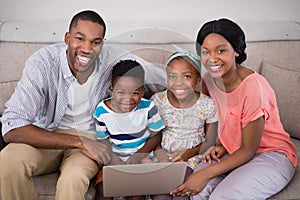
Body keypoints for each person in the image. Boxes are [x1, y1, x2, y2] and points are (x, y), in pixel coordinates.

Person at [0, 10, 166, 200]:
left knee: (74, 177)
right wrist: (78, 141)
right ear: (67, 38)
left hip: (90, 141)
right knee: (8, 161)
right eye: (80, 39)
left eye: (95, 42)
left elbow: (166, 82)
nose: (87, 48)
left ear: (102, 43)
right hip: (47, 135)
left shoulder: (115, 60)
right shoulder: (43, 63)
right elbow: (12, 126)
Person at [170, 18, 297, 199]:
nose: (212, 59)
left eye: (221, 50)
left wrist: (205, 173)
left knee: (221, 197)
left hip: (270, 154)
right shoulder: (208, 81)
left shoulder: (254, 88)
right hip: (231, 150)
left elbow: (248, 149)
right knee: (196, 193)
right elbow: (218, 118)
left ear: (236, 51)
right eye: (206, 52)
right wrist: (220, 143)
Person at [151, 45, 218, 200]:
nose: (178, 83)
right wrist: (161, 156)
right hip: (163, 157)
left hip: (191, 159)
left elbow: (211, 141)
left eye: (186, 76)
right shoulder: (157, 101)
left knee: (181, 193)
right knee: (160, 196)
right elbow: (152, 136)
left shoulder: (207, 104)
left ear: (198, 79)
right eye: (172, 76)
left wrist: (189, 153)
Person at [93, 59, 165, 200]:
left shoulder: (149, 108)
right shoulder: (102, 111)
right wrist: (112, 158)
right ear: (111, 90)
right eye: (121, 92)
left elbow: (156, 135)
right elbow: (103, 140)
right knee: (103, 190)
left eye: (135, 93)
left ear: (143, 91)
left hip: (142, 158)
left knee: (136, 193)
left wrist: (139, 154)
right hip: (114, 159)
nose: (128, 99)